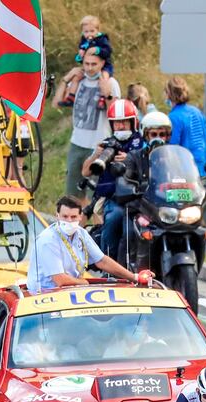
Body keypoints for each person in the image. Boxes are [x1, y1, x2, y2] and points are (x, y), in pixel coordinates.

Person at [27, 196, 148, 293]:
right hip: (44, 296)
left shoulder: (81, 234)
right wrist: (83, 283)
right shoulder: (48, 240)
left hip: (70, 291)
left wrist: (135, 277)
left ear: (80, 217)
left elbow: (102, 261)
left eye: (73, 217)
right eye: (65, 217)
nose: (69, 221)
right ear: (57, 216)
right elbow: (60, 280)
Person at [84, 99, 144, 262]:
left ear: (133, 122)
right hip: (114, 198)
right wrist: (97, 154)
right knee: (114, 217)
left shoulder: (142, 143)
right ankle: (107, 262)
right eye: (117, 123)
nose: (121, 126)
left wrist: (131, 158)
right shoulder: (107, 144)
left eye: (125, 122)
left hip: (140, 196)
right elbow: (85, 172)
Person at [55, 48, 120, 198]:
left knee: (94, 194)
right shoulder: (78, 81)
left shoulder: (110, 82)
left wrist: (107, 94)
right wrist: (66, 79)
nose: (90, 68)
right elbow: (57, 103)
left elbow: (115, 114)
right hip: (77, 144)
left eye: (94, 64)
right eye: (86, 64)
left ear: (102, 63)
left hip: (98, 145)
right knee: (72, 193)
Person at [58, 15, 113, 106]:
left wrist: (98, 50)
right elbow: (82, 57)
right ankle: (71, 97)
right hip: (88, 65)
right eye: (86, 32)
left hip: (105, 65)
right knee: (76, 77)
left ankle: (103, 97)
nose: (89, 34)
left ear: (97, 30)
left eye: (92, 31)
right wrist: (80, 56)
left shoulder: (102, 39)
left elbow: (108, 51)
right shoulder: (84, 41)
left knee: (104, 77)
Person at [164, 77, 206, 176]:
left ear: (168, 94)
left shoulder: (173, 117)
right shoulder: (197, 112)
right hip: (203, 166)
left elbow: (172, 148)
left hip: (185, 170)